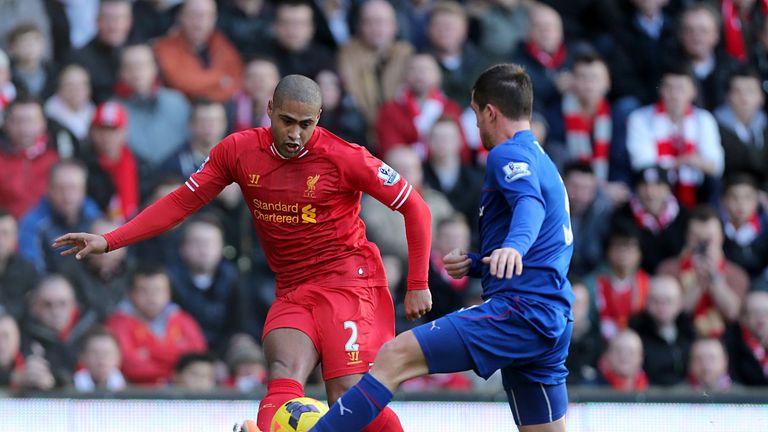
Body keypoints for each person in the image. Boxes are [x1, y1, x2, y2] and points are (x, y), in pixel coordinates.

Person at [53, 74, 433, 432]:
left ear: (318, 118)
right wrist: (110, 240)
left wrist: (417, 282)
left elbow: (416, 207)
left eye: (305, 124)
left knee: (347, 398)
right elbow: (181, 202)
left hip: (348, 284)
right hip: (294, 288)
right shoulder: (238, 151)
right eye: (286, 121)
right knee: (282, 372)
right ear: (269, 109)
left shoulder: (345, 156)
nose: (295, 134)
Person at [308, 63, 573, 432]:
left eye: (475, 114)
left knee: (395, 355)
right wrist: (480, 263)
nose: (476, 126)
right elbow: (546, 237)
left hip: (520, 311)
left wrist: (514, 245)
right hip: (552, 314)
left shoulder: (506, 154)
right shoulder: (543, 161)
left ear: (491, 112)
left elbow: (530, 205)